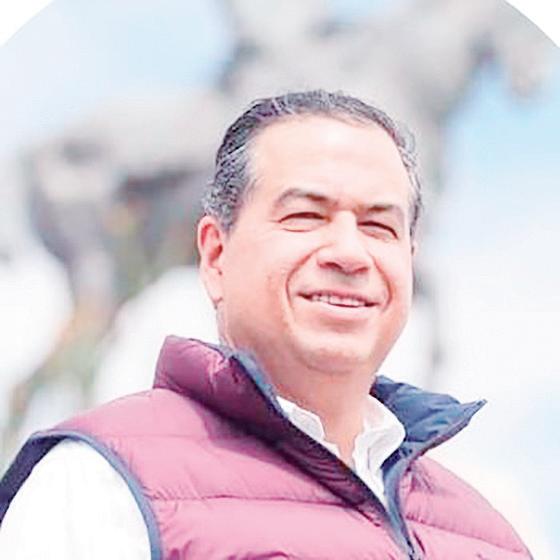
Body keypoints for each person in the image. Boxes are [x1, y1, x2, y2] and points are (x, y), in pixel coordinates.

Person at [0, 90, 531, 559]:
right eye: (305, 216)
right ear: (215, 255)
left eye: (378, 226)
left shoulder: (489, 537)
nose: (350, 253)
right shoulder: (98, 486)